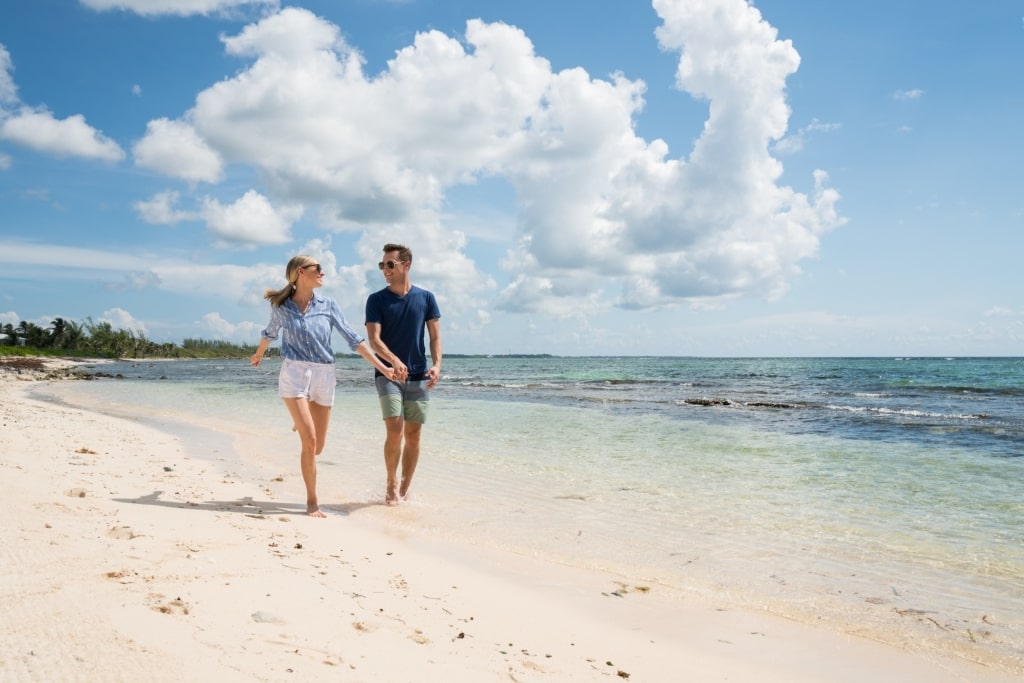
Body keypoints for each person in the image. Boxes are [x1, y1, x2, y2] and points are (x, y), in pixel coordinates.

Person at [251, 254, 395, 518]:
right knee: (310, 440)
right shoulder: (282, 307)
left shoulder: (329, 305)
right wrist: (259, 354)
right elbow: (269, 333)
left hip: (324, 375)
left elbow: (353, 339)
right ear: (300, 272)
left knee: (318, 448)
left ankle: (300, 415)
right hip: (294, 373)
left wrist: (381, 366)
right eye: (318, 268)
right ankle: (312, 502)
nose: (323, 273)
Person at [365, 243, 442, 505]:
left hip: (419, 376)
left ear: (406, 265)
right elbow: (374, 340)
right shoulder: (376, 300)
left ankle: (405, 490)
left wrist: (437, 364)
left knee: (414, 435)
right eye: (382, 265)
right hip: (387, 374)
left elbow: (434, 337)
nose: (384, 270)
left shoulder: (426, 298)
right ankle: (391, 483)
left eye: (390, 264)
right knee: (395, 431)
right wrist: (395, 361)